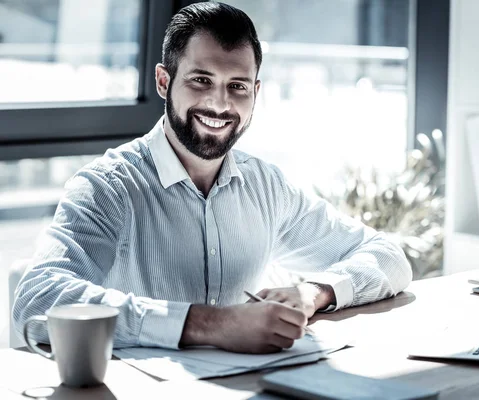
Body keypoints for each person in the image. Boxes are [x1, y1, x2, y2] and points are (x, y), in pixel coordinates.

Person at [13, 2, 412, 354]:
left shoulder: (266, 187)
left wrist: (313, 293)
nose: (220, 104)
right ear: (164, 82)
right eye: (201, 80)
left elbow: (388, 257)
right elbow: (37, 298)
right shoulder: (108, 186)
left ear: (255, 92)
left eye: (237, 86)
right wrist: (210, 324)